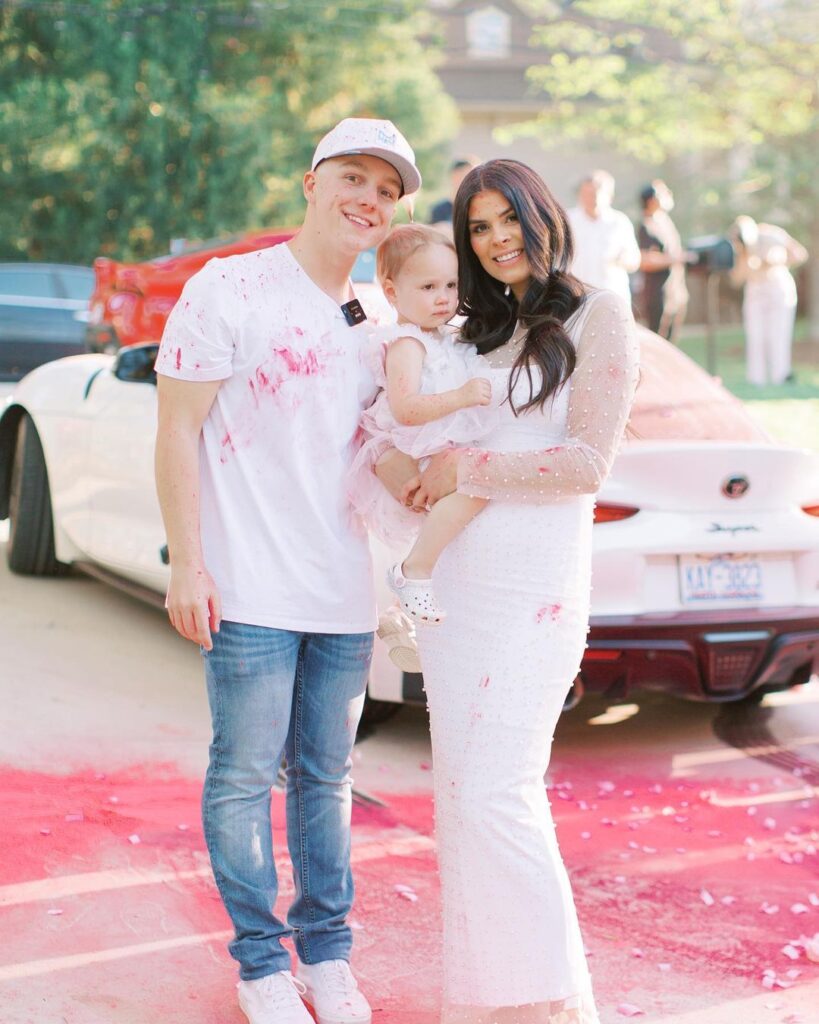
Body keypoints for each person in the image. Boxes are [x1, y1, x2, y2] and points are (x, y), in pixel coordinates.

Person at [153, 117, 422, 1024]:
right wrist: (187, 563)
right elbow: (177, 431)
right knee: (242, 775)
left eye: (387, 191)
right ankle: (262, 964)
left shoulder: (380, 318)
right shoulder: (229, 287)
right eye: (354, 177)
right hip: (249, 588)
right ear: (310, 183)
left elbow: (376, 448)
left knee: (327, 780)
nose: (369, 201)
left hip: (342, 592)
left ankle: (328, 955)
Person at [378, 159, 639, 1022]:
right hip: (459, 589)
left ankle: (553, 1006)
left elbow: (586, 464)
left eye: (507, 221)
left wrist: (467, 465)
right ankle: (486, 1002)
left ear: (543, 216)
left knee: (499, 792)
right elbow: (429, 425)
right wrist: (418, 469)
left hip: (534, 590)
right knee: (460, 795)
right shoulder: (472, 330)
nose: (495, 242)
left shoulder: (599, 313)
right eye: (477, 229)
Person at [348, 224, 498, 629]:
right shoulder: (406, 344)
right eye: (429, 287)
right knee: (475, 488)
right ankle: (413, 572)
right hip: (416, 441)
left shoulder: (443, 337)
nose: (444, 298)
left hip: (437, 441)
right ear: (393, 292)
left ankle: (406, 613)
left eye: (451, 285)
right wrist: (462, 397)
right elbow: (406, 408)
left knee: (463, 507)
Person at [730, 215, 808, 386]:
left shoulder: (772, 234)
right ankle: (756, 378)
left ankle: (781, 375)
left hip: (777, 288)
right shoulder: (738, 246)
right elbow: (735, 279)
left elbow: (800, 254)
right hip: (755, 290)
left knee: (779, 333)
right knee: (755, 334)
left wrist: (777, 262)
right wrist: (745, 261)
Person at [567, 169, 640, 305]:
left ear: (609, 195)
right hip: (576, 299)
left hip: (612, 297)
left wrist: (624, 259)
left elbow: (634, 260)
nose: (590, 198)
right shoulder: (568, 220)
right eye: (586, 193)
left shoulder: (620, 222)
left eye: (595, 193)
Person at [636, 180, 694, 340]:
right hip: (658, 295)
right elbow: (645, 260)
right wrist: (678, 258)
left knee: (672, 344)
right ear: (651, 200)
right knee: (659, 344)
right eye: (664, 192)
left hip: (676, 291)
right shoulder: (646, 225)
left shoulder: (665, 221)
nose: (669, 194)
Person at [429, 157, 481, 235]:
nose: (472, 181)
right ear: (454, 176)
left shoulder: (479, 207)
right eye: (467, 175)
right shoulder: (439, 210)